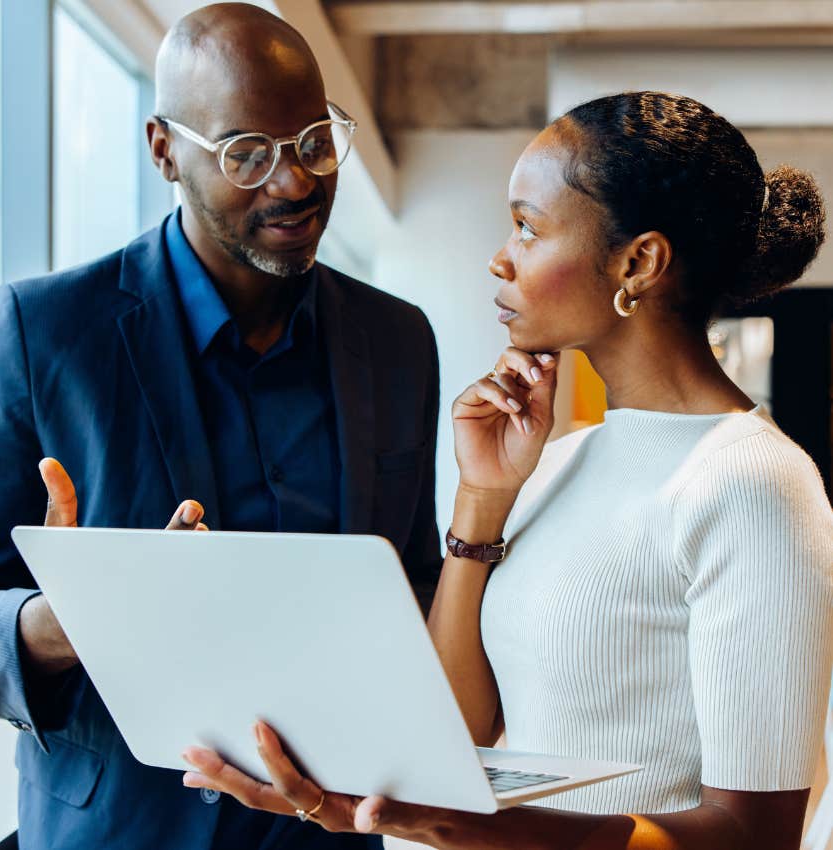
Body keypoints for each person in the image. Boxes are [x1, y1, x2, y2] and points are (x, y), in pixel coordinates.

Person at [177, 91, 833, 850]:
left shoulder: (753, 483)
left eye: (527, 226)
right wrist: (482, 499)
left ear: (638, 262)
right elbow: (457, 736)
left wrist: (458, 826)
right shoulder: (556, 460)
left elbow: (753, 837)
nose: (501, 256)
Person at [0, 4, 440, 849]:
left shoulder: (397, 339)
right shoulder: (40, 332)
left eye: (312, 142)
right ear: (163, 149)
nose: (295, 182)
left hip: (327, 833)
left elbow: (412, 581)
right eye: (247, 154)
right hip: (118, 833)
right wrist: (54, 628)